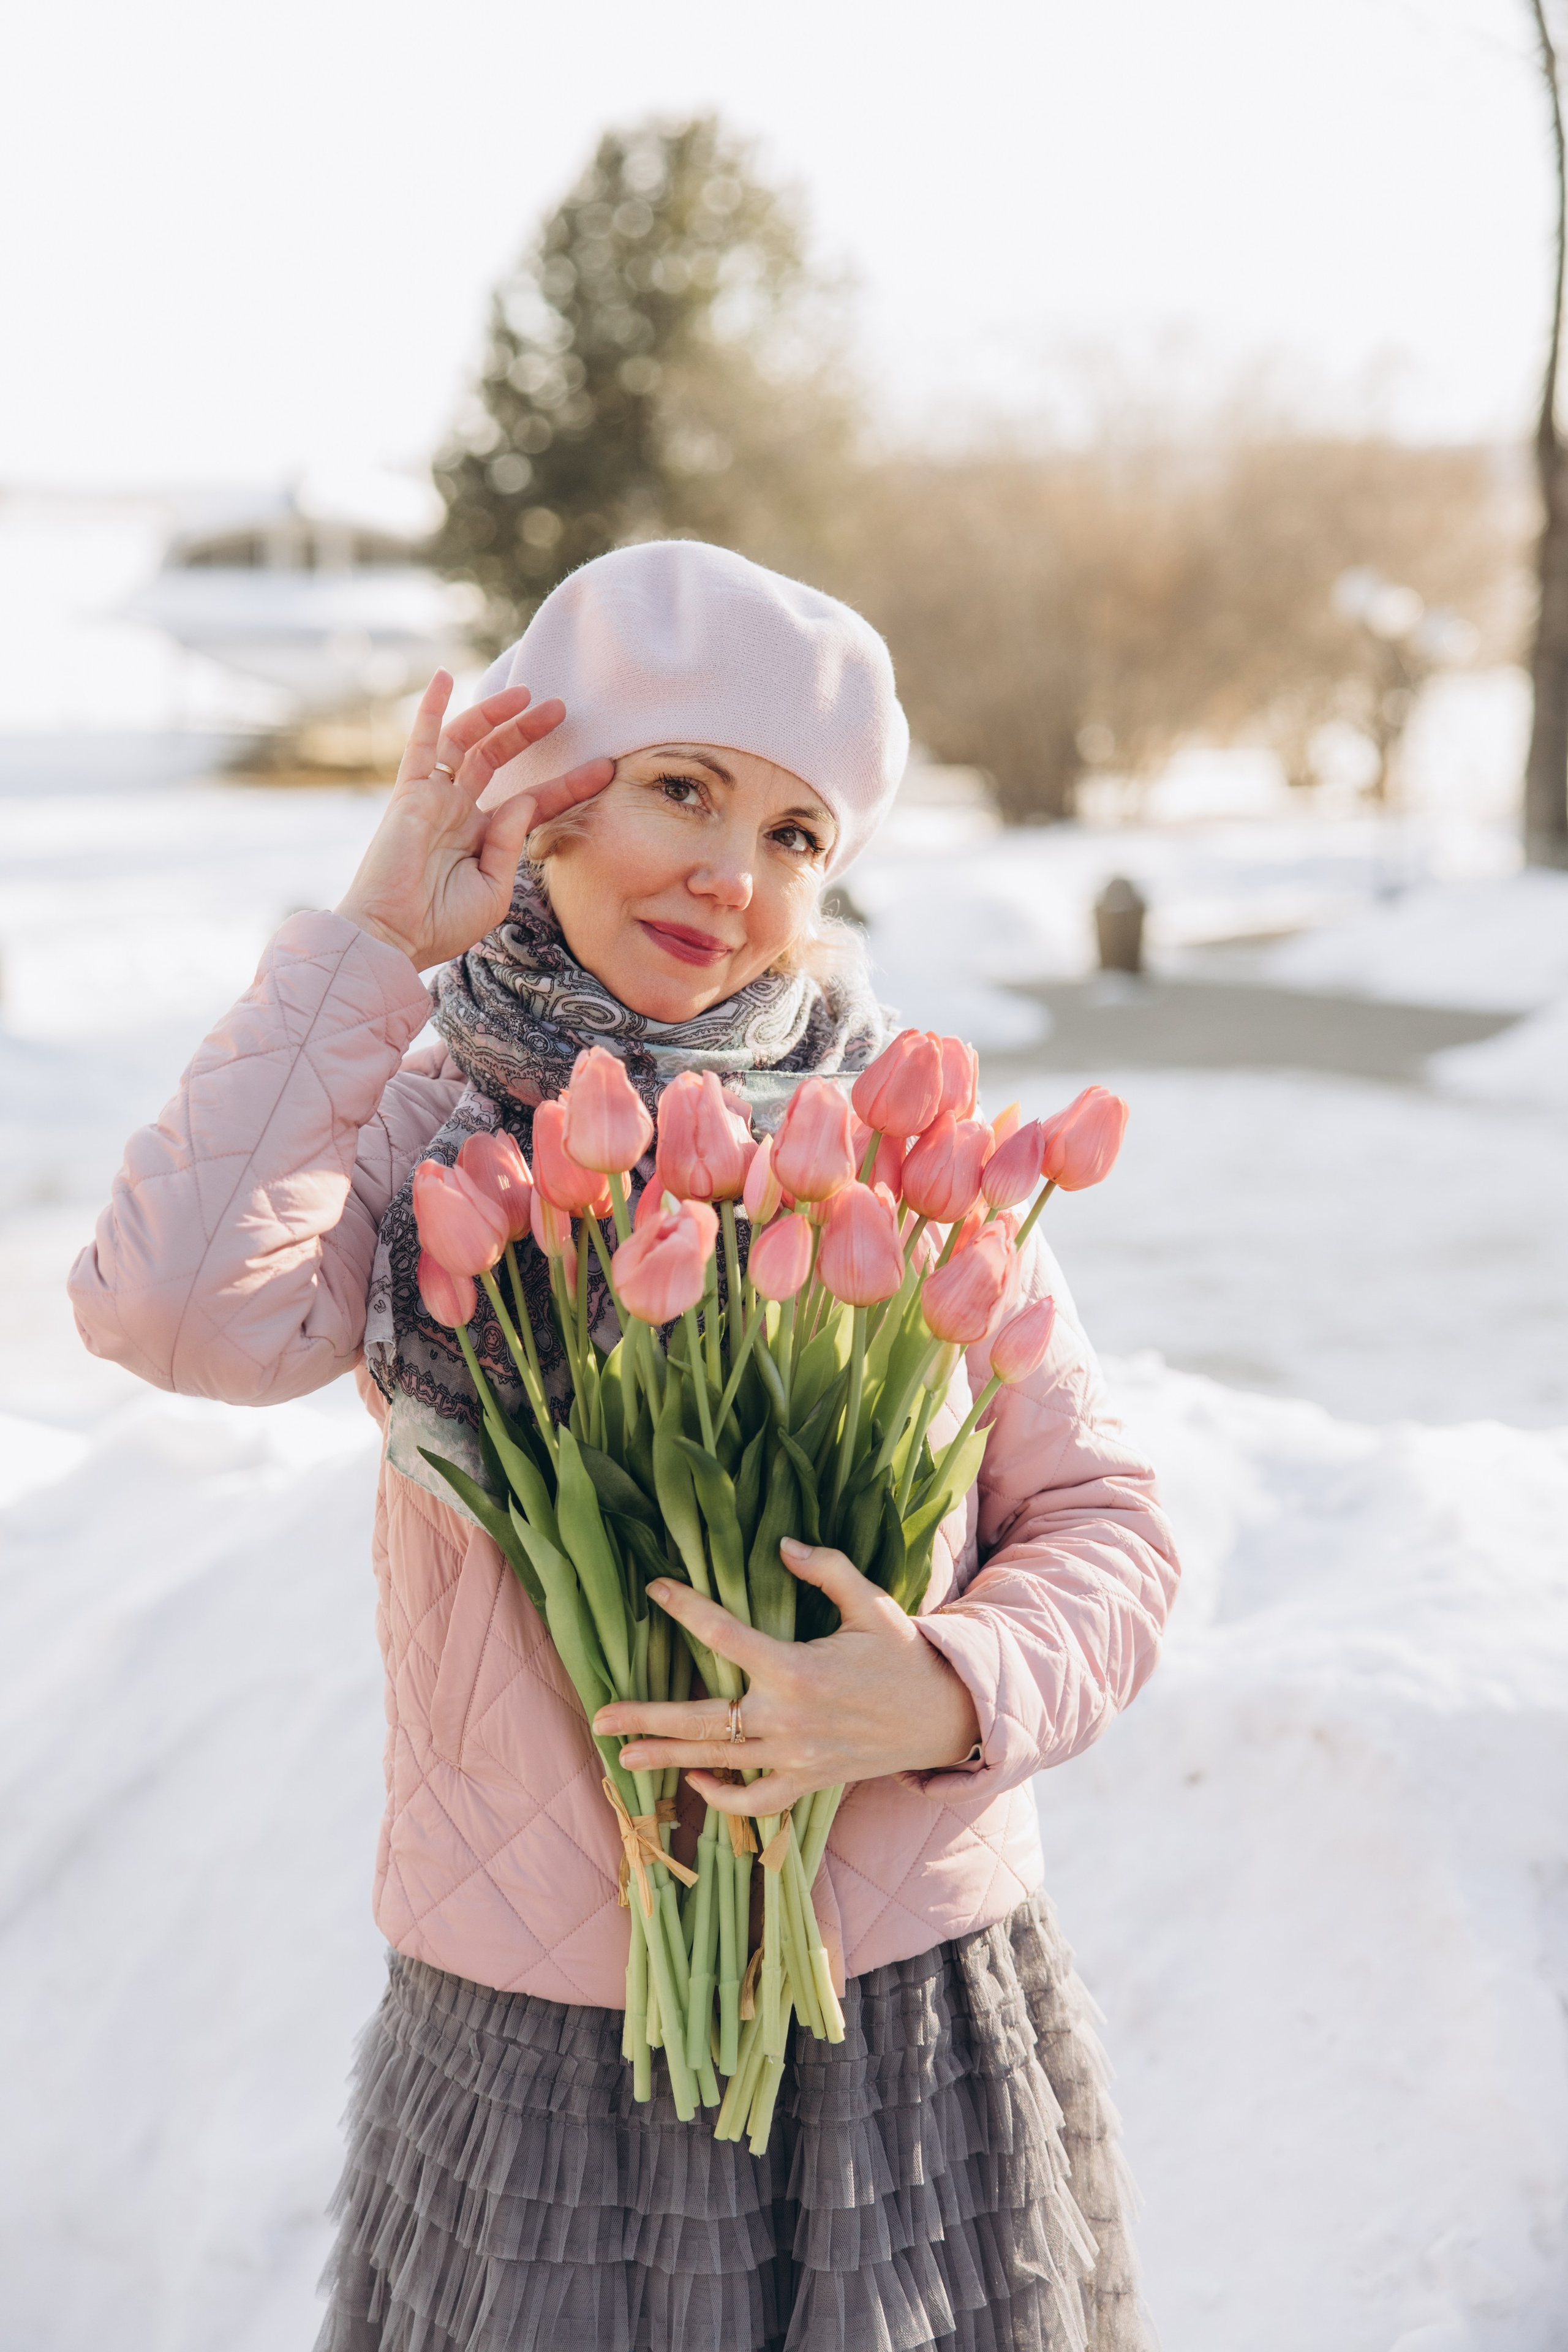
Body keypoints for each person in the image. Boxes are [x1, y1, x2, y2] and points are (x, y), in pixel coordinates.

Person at [70, 539, 1179, 2352]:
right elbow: (170, 1311)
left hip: (900, 2011)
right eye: (683, 788)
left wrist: (947, 1689)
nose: (734, 874)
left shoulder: (900, 1154)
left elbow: (1104, 1519)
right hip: (544, 2035)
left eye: (796, 832)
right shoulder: (418, 1127)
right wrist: (368, 947)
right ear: (551, 802)